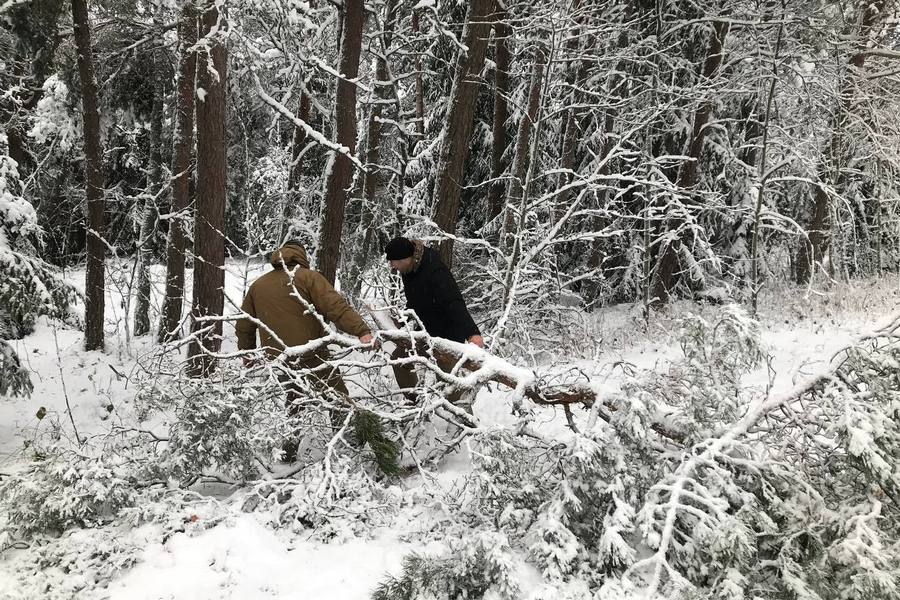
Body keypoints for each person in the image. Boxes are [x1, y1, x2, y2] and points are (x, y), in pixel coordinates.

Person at [236, 241, 372, 426]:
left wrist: (247, 353)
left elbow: (244, 324)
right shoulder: (308, 277)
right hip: (312, 354)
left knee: (295, 401)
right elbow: (336, 307)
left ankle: (288, 451)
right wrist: (362, 331)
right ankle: (347, 441)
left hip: (278, 358)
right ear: (301, 257)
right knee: (337, 398)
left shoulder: (259, 285)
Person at [384, 236, 483, 404]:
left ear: (406, 258)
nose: (393, 266)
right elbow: (417, 300)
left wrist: (472, 333)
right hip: (426, 333)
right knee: (400, 359)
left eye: (394, 262)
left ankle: (466, 423)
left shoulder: (435, 271)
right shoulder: (409, 270)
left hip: (447, 336)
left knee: (448, 385)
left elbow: (454, 301)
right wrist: (403, 319)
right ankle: (413, 404)